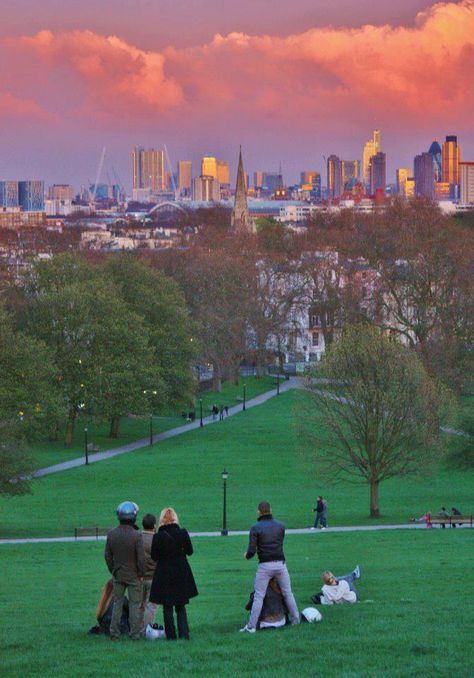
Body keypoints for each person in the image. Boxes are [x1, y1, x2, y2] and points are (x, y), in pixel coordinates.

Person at [240, 501, 300, 634]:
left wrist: (246, 556)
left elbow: (252, 551)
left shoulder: (255, 528)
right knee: (288, 593)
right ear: (270, 510)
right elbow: (279, 543)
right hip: (280, 563)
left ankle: (251, 626)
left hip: (265, 565)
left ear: (259, 512)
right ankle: (296, 620)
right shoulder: (280, 526)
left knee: (259, 596)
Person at [149, 507, 198, 640]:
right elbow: (190, 551)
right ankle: (184, 634)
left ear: (162, 520)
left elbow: (154, 556)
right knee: (181, 605)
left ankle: (171, 636)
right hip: (181, 571)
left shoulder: (158, 536)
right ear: (175, 518)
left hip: (164, 572)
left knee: (167, 606)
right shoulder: (182, 533)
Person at [104, 501, 145, 641]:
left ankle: (114, 633)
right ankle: (134, 634)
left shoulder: (111, 534)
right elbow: (141, 558)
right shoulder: (137, 535)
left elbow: (107, 556)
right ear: (133, 517)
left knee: (117, 604)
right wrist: (141, 574)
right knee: (135, 605)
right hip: (134, 575)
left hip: (118, 574)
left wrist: (113, 570)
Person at [140, 513, 158, 631]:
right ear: (154, 526)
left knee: (138, 605)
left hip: (139, 577)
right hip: (153, 577)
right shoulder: (157, 539)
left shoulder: (137, 538)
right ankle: (146, 630)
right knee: (150, 606)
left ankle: (136, 629)